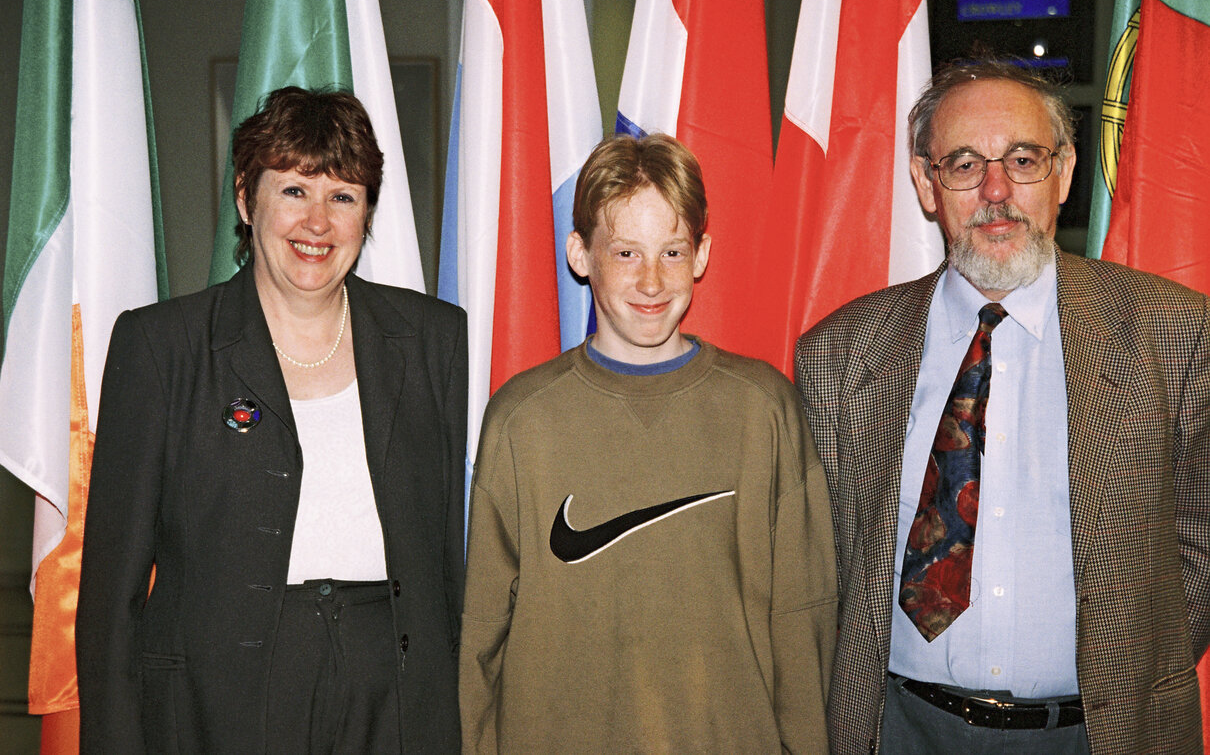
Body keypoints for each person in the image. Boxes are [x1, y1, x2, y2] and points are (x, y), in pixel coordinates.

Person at [795, 58, 1210, 755]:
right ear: (927, 183)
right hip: (897, 730)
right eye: (963, 163)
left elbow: (1200, 541)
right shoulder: (840, 353)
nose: (996, 191)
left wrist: (1126, 664)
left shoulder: (1175, 333)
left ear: (1064, 174)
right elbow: (816, 567)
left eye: (1022, 159)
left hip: (1100, 734)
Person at [76, 86, 467, 754]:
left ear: (366, 213)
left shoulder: (431, 339)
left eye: (342, 196)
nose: (317, 222)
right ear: (244, 198)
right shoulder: (162, 346)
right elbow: (111, 604)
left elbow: (447, 564)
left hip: (395, 698)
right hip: (219, 705)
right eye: (293, 191)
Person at [459, 133, 837, 753]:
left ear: (702, 254)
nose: (653, 279)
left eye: (672, 250)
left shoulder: (763, 409)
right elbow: (480, 638)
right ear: (580, 254)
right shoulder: (522, 419)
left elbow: (804, 622)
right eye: (626, 252)